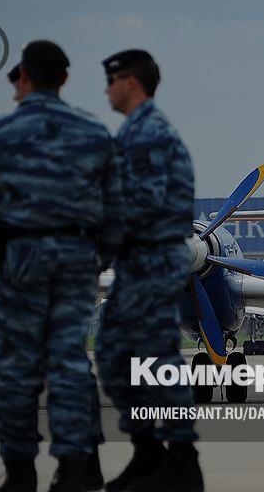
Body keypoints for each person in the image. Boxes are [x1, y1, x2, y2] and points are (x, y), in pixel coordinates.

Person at [0, 40, 123, 492]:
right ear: (65, 79)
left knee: (17, 370)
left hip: (18, 263)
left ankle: (20, 472)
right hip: (74, 262)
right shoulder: (93, 133)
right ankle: (76, 465)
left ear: (25, 77)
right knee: (69, 362)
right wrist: (95, 262)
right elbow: (117, 213)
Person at [95, 49, 203, 492]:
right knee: (115, 356)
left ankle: (181, 459)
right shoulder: (134, 133)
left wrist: (92, 253)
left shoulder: (148, 135)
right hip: (136, 264)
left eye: (111, 80)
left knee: (156, 361)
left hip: (151, 264)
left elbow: (138, 207)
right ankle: (149, 452)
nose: (106, 89)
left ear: (130, 83)